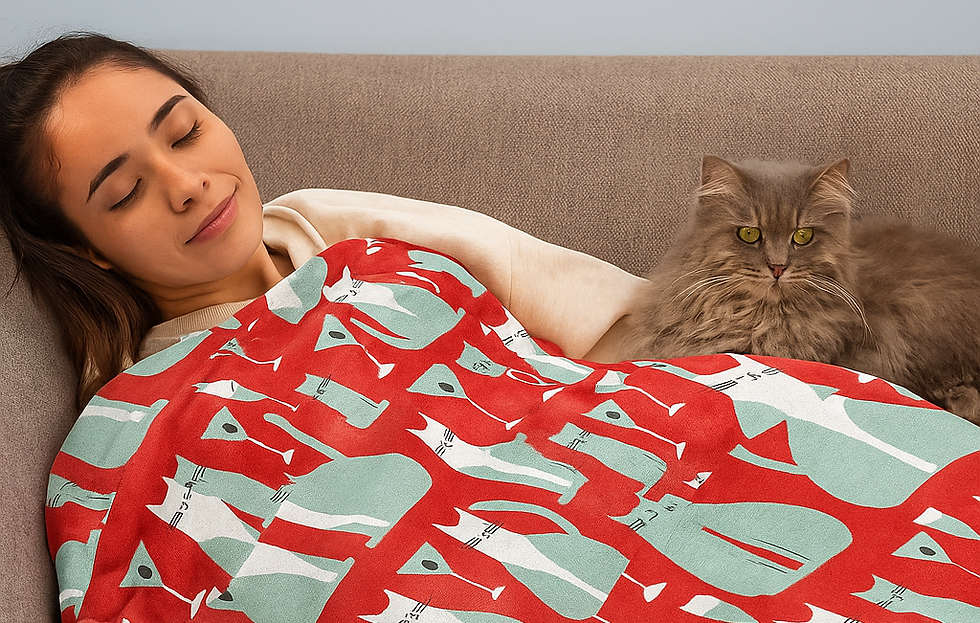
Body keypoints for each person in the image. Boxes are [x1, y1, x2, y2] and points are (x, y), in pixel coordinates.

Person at [0, 32, 645, 406]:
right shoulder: (156, 401)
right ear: (89, 251)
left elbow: (599, 314)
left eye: (185, 131)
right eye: (125, 193)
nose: (187, 184)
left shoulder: (340, 228)